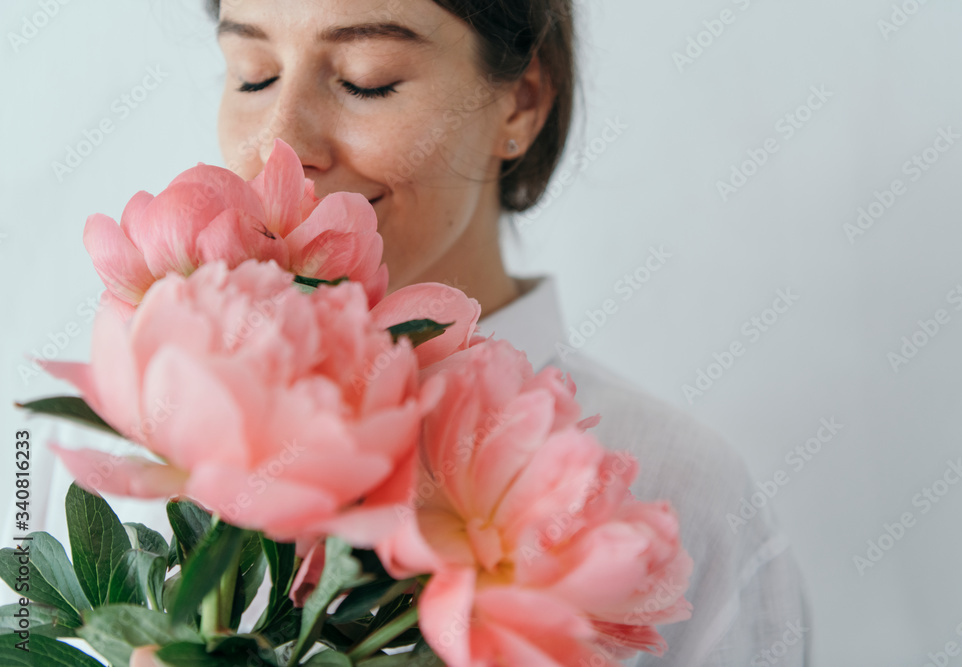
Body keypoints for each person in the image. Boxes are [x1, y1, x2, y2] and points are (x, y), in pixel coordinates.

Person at [5, 1, 812, 664]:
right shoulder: (93, 427)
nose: (282, 142)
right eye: (253, 74)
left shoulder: (681, 493)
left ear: (521, 103)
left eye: (367, 82)